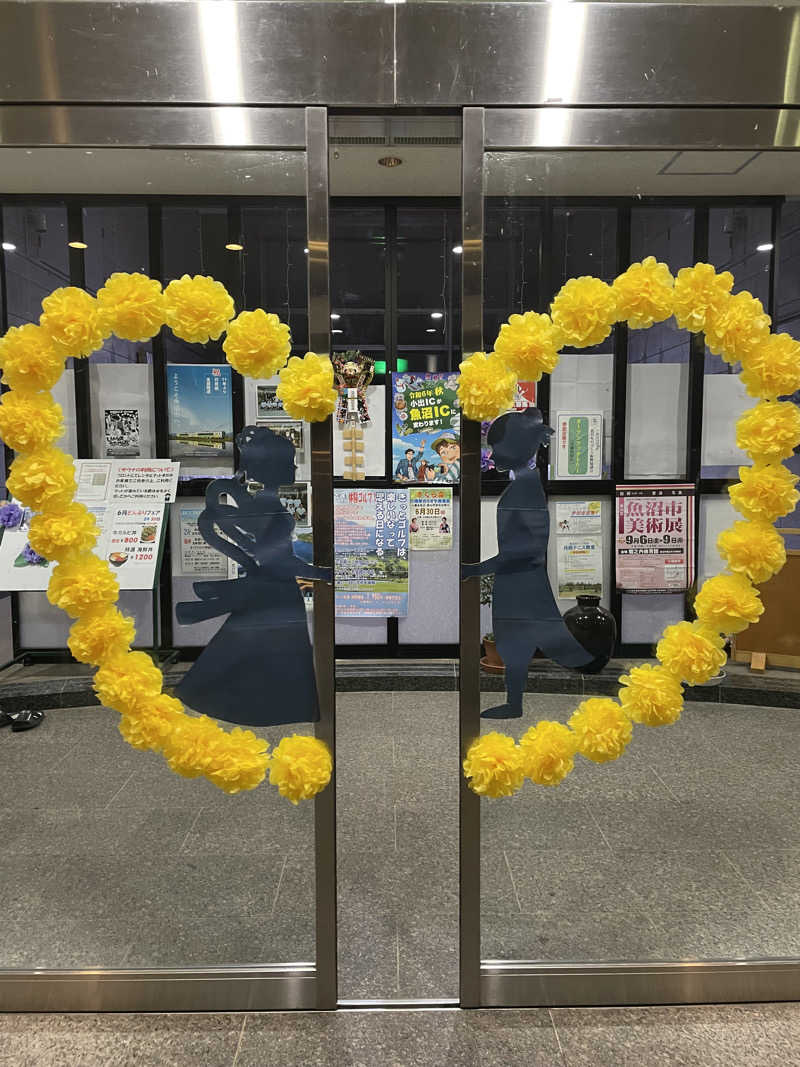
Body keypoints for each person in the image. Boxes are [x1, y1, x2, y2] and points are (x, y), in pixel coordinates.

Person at [175, 425, 330, 728]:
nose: (295, 467)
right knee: (275, 653)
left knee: (246, 648)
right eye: (289, 462)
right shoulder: (270, 506)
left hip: (269, 593)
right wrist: (321, 573)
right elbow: (279, 562)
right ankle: (276, 709)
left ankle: (251, 705)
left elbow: (268, 557)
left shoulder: (262, 504)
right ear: (273, 467)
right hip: (277, 595)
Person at [461, 409, 596, 719]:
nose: (491, 457)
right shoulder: (523, 484)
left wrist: (476, 569)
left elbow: (526, 549)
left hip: (522, 580)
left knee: (522, 640)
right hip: (517, 580)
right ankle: (514, 703)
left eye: (496, 449)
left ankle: (515, 702)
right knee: (515, 643)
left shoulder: (525, 487)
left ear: (516, 449)